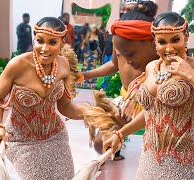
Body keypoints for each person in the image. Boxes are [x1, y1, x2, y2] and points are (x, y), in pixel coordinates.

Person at [103, 12, 194, 179]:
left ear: (186, 36)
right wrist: (120, 134)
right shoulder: (151, 68)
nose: (169, 48)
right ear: (155, 42)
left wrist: (192, 77)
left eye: (175, 40)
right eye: (162, 42)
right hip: (150, 163)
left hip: (188, 165)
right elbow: (151, 113)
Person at [0, 17, 85, 180]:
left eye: (52, 43)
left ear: (62, 43)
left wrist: (90, 113)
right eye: (39, 41)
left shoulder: (63, 65)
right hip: (21, 140)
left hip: (56, 136)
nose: (44, 48)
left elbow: (65, 107)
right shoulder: (17, 65)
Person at [78, 1, 158, 159]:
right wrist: (86, 75)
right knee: (101, 144)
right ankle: (116, 148)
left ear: (152, 43)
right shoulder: (121, 41)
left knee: (154, 152)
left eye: (131, 54)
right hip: (128, 99)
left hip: (151, 103)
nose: (127, 60)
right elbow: (114, 64)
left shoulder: (159, 55)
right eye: (123, 53)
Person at [76, 24, 101, 89]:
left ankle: (91, 82)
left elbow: (99, 45)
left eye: (94, 28)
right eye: (92, 28)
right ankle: (83, 80)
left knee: (93, 67)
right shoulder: (88, 35)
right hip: (87, 53)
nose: (93, 29)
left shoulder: (98, 36)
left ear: (96, 29)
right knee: (86, 66)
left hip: (94, 54)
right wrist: (82, 50)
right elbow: (84, 43)